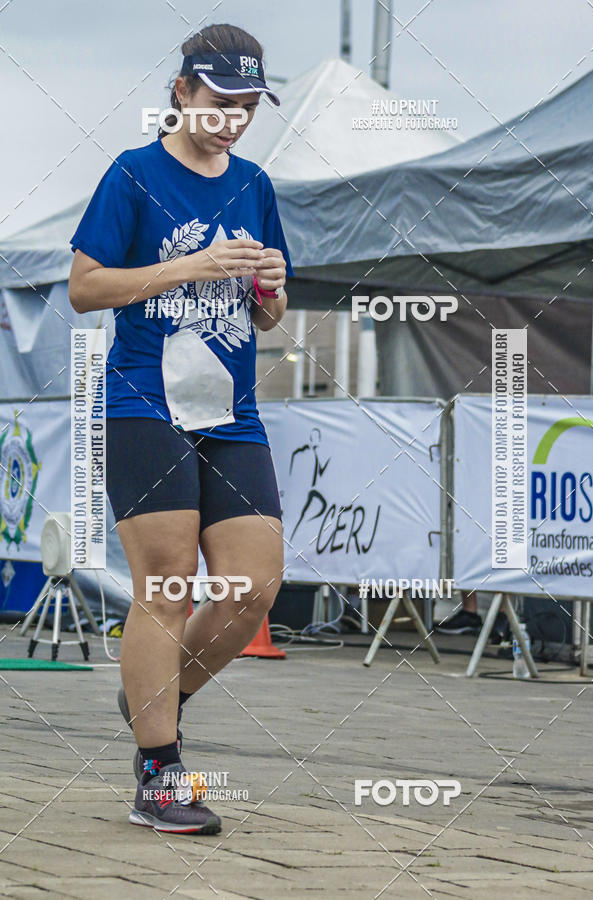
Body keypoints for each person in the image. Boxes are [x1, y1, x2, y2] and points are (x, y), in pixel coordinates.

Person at [68, 23, 293, 834]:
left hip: (232, 413)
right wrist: (185, 268)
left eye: (248, 106)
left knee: (253, 586)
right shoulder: (133, 175)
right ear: (182, 93)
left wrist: (270, 289)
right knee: (166, 587)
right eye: (220, 102)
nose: (233, 119)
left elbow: (269, 314)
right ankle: (159, 770)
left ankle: (149, 697)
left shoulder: (257, 184)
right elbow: (85, 289)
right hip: (143, 403)